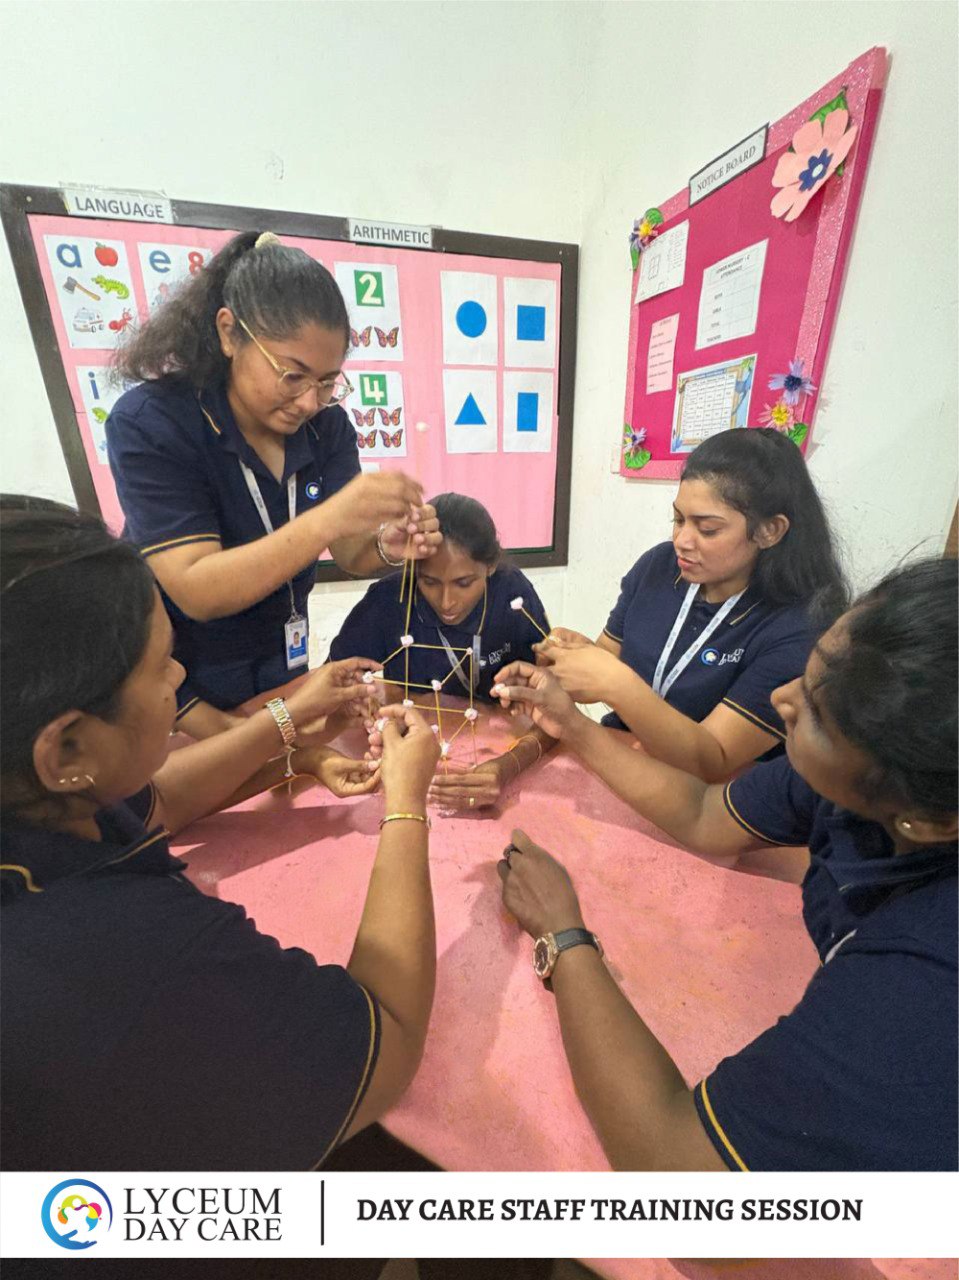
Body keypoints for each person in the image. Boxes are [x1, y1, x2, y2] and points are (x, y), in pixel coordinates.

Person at [1, 496, 441, 1170]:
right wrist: (405, 801)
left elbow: (160, 802)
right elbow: (390, 1036)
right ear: (65, 750)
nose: (179, 679)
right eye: (160, 667)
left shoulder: (42, 805)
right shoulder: (130, 951)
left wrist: (292, 726)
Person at [491, 557, 957, 1171]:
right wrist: (572, 727)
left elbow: (692, 1185)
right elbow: (704, 811)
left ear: (926, 821)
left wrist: (564, 936)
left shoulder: (923, 984)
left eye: (816, 714)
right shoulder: (854, 778)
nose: (781, 698)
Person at [107, 230, 441, 740]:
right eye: (292, 375)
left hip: (283, 671)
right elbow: (196, 587)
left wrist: (386, 547)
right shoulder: (154, 422)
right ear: (228, 333)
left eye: (328, 381)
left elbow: (349, 552)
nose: (310, 401)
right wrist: (330, 516)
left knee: (290, 785)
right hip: (181, 692)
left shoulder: (327, 430)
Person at [536, 428, 847, 782]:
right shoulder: (659, 566)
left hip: (712, 795)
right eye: (679, 519)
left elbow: (713, 760)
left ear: (769, 531)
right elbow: (611, 655)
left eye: (708, 529)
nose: (681, 541)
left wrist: (615, 683)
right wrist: (576, 656)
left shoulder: (799, 627)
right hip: (622, 754)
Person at [330, 493, 553, 809]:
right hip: (408, 772)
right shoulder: (389, 600)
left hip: (498, 756)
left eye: (464, 583)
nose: (447, 602)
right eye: (430, 582)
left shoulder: (511, 594)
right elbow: (329, 688)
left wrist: (508, 766)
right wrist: (353, 705)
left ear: (490, 566)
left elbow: (557, 709)